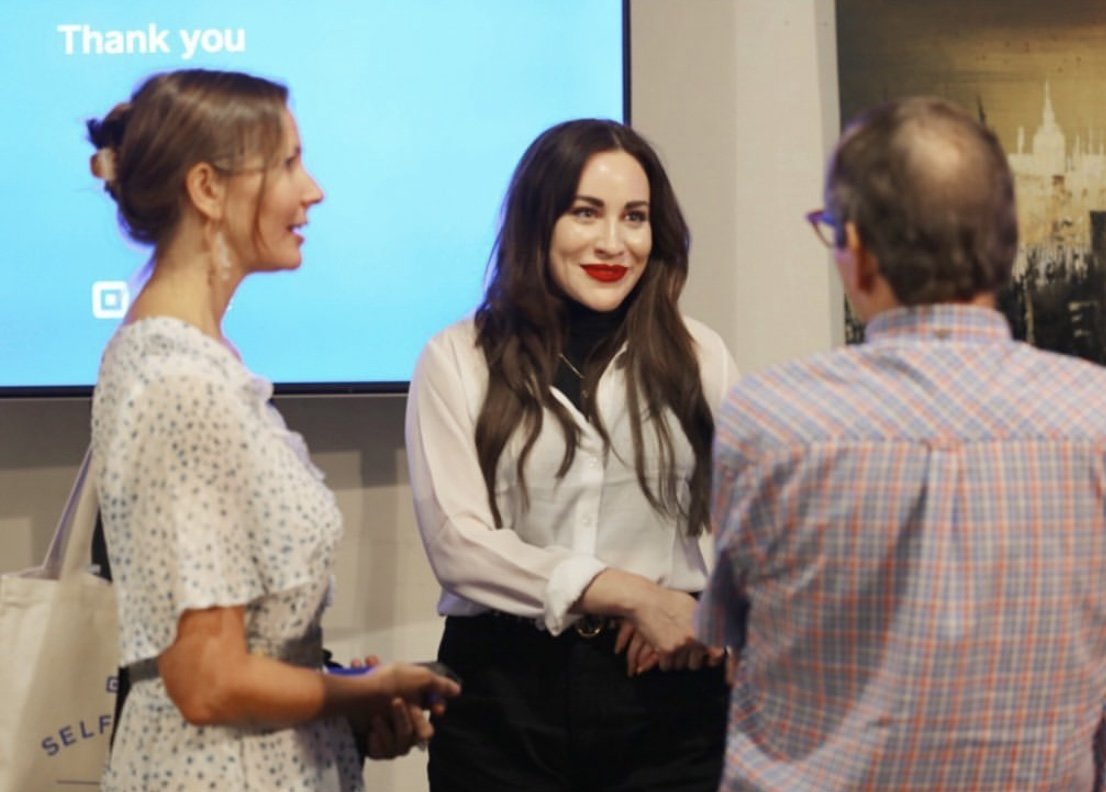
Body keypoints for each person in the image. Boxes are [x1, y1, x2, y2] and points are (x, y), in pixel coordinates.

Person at [699, 95, 1106, 791]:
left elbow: (728, 634)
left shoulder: (767, 420)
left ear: (854, 251)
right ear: (1005, 247)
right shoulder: (1094, 418)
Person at [87, 69, 459, 791]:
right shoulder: (180, 385)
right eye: (287, 163)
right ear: (206, 189)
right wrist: (369, 690)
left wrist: (337, 703)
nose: (311, 189)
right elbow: (207, 681)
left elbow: (238, 646)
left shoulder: (191, 363)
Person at [405, 118, 739, 791]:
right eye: (585, 213)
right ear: (538, 222)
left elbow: (745, 527)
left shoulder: (702, 356)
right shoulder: (455, 358)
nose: (613, 242)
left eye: (635, 217)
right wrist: (628, 594)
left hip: (668, 703)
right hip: (503, 697)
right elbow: (457, 544)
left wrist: (694, 610)